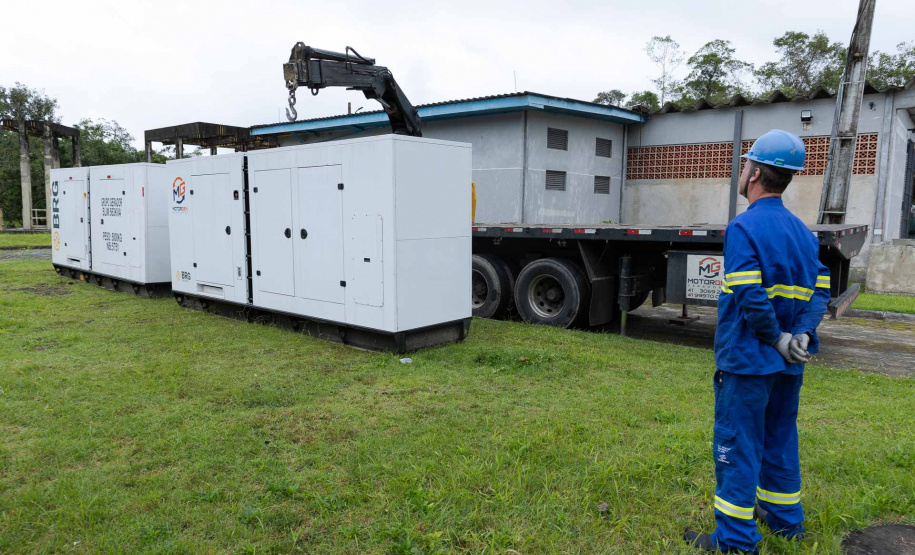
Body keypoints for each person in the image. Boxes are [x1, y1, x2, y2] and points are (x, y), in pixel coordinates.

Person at [684, 130, 831, 554]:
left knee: (737, 444)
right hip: (789, 364)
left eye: (745, 163)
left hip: (749, 361)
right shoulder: (803, 233)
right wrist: (800, 334)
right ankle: (787, 523)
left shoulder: (743, 227)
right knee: (781, 437)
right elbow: (820, 289)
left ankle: (733, 541)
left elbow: (749, 293)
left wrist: (777, 337)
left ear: (753, 173)